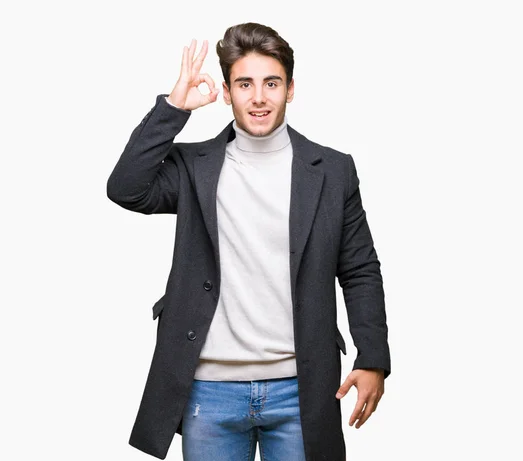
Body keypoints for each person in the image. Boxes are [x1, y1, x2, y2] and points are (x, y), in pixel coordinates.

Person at [106, 22, 391, 461]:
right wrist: (174, 108)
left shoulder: (332, 171)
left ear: (290, 89)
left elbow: (359, 270)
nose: (258, 97)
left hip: (300, 388)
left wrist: (372, 357)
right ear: (226, 91)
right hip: (209, 392)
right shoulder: (193, 166)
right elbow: (126, 187)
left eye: (271, 83)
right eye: (245, 84)